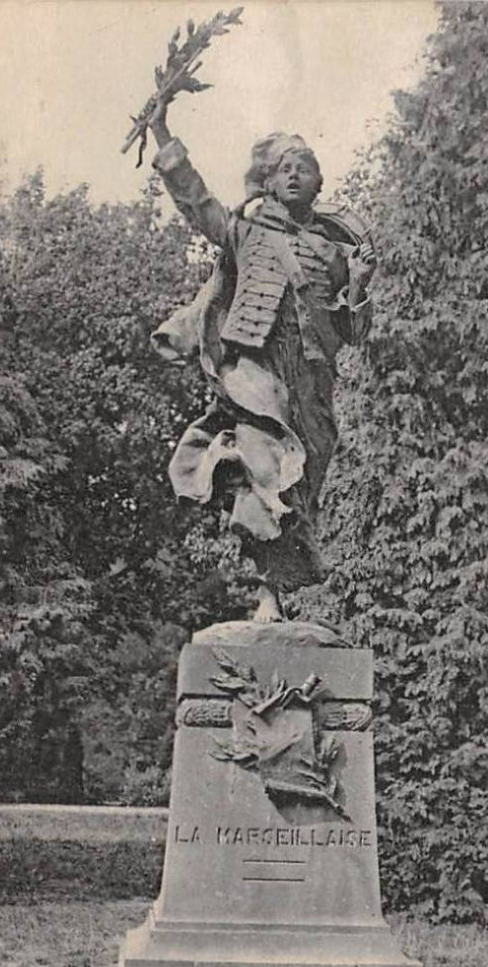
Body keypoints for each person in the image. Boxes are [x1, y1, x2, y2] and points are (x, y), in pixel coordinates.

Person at [149, 103, 376, 622]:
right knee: (264, 467)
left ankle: (279, 587)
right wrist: (163, 135)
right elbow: (195, 201)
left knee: (300, 487)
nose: (294, 175)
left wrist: (360, 285)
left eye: (305, 167)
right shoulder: (245, 233)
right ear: (268, 182)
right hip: (254, 369)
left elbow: (354, 333)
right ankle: (265, 595)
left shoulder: (336, 253)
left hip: (311, 379)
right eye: (283, 168)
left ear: (319, 183)